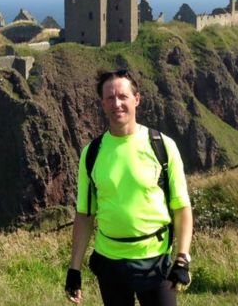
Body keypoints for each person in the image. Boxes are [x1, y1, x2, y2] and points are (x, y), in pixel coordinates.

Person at [64, 70, 193, 306]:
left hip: (155, 262)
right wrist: (74, 269)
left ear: (137, 99)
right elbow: (84, 214)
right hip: (109, 263)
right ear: (103, 104)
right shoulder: (90, 153)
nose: (117, 104)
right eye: (110, 98)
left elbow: (182, 207)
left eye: (123, 96)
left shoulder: (163, 145)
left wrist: (182, 258)